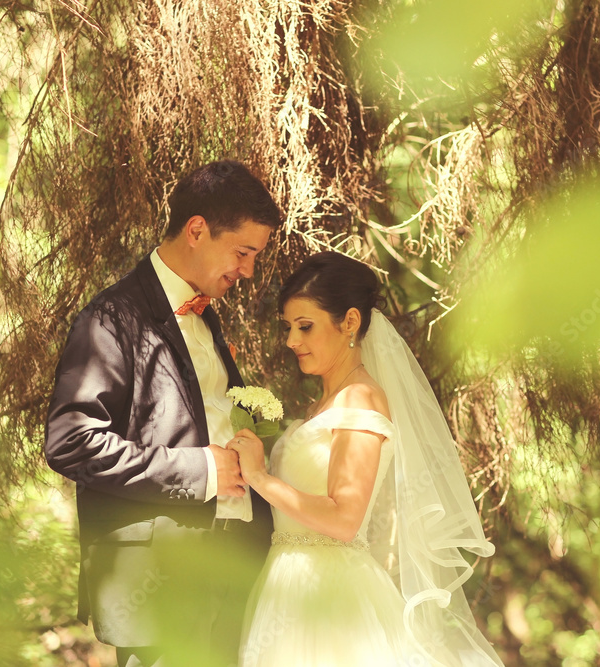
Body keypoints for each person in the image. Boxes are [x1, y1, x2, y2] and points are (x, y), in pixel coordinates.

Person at [45, 160, 281, 667]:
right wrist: (199, 470)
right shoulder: (110, 318)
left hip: (237, 565)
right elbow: (71, 441)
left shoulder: (206, 317)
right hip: (160, 583)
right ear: (196, 230)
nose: (247, 271)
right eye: (243, 253)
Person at [229, 251, 505, 666]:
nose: (291, 341)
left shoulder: (359, 398)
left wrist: (260, 477)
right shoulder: (323, 405)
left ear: (350, 322)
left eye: (305, 326)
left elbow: (345, 519)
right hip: (288, 585)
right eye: (288, 327)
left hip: (330, 596)